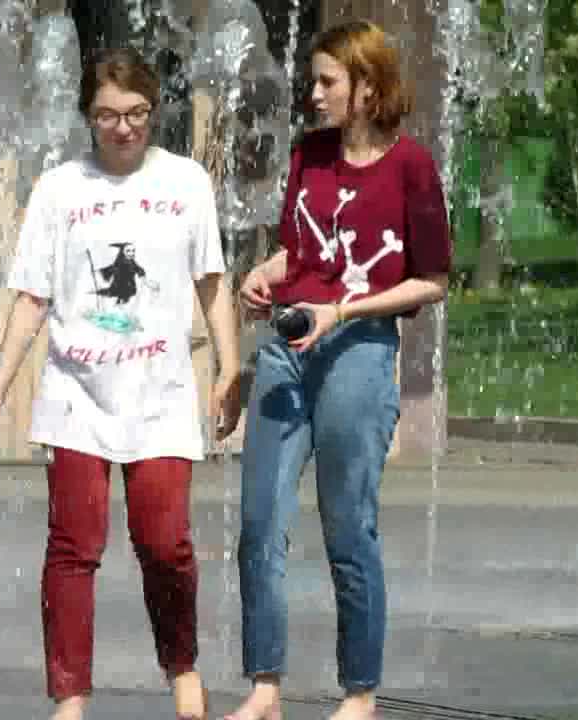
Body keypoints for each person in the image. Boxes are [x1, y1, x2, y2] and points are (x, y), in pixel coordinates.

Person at [0, 47, 241, 720]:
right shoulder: (59, 189)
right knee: (74, 547)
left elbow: (211, 281)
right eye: (107, 115)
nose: (123, 128)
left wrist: (231, 367)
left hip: (160, 394)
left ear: (154, 109)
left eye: (136, 113)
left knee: (165, 543)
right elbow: (32, 298)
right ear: (88, 116)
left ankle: (182, 665)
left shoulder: (186, 183)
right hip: (76, 394)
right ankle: (70, 696)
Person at [224, 20, 452, 720]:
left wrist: (344, 310)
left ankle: (360, 693)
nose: (315, 93)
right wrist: (264, 274)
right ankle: (265, 688)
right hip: (288, 347)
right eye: (313, 81)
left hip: (359, 348)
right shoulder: (309, 154)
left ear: (367, 87)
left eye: (328, 81)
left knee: (347, 527)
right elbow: (302, 253)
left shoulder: (411, 166)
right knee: (259, 522)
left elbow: (433, 281)